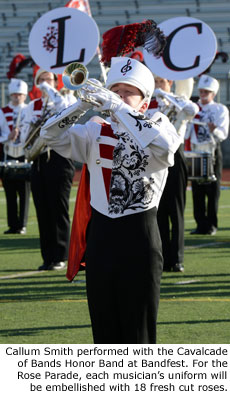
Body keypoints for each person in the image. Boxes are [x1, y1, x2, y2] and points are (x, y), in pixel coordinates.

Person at [40, 56, 181, 344]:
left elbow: (166, 148)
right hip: (102, 235)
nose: (119, 95)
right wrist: (82, 104)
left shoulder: (159, 123)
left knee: (138, 329)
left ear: (144, 102)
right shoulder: (95, 128)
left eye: (129, 91)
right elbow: (49, 134)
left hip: (140, 233)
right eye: (115, 90)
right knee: (104, 327)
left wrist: (117, 106)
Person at [21, 69, 76, 271]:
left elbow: (65, 111)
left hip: (60, 157)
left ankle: (61, 255)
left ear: (56, 82)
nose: (45, 83)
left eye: (49, 79)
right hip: (38, 159)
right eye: (41, 80)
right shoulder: (31, 106)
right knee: (42, 209)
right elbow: (25, 132)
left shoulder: (66, 99)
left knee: (58, 208)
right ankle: (48, 256)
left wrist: (50, 90)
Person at [148, 77, 199, 272]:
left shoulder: (179, 100)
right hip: (154, 156)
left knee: (176, 210)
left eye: (162, 82)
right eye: (156, 82)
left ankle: (176, 259)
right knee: (157, 210)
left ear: (170, 82)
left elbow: (192, 111)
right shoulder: (149, 103)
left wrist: (168, 96)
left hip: (175, 155)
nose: (158, 85)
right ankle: (161, 256)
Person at [185, 74, 229, 235]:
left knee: (212, 190)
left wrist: (213, 129)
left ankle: (211, 224)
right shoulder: (192, 108)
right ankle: (200, 224)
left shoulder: (220, 109)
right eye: (201, 91)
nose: (203, 95)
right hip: (195, 150)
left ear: (213, 94)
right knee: (197, 190)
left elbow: (223, 133)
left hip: (212, 151)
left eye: (206, 92)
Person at [0, 78, 30, 234]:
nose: (17, 97)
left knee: (24, 191)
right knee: (9, 191)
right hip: (8, 154)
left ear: (24, 96)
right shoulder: (2, 112)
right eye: (15, 94)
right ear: (10, 95)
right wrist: (7, 137)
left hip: (24, 155)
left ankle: (22, 225)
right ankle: (12, 225)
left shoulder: (29, 110)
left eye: (20, 94)